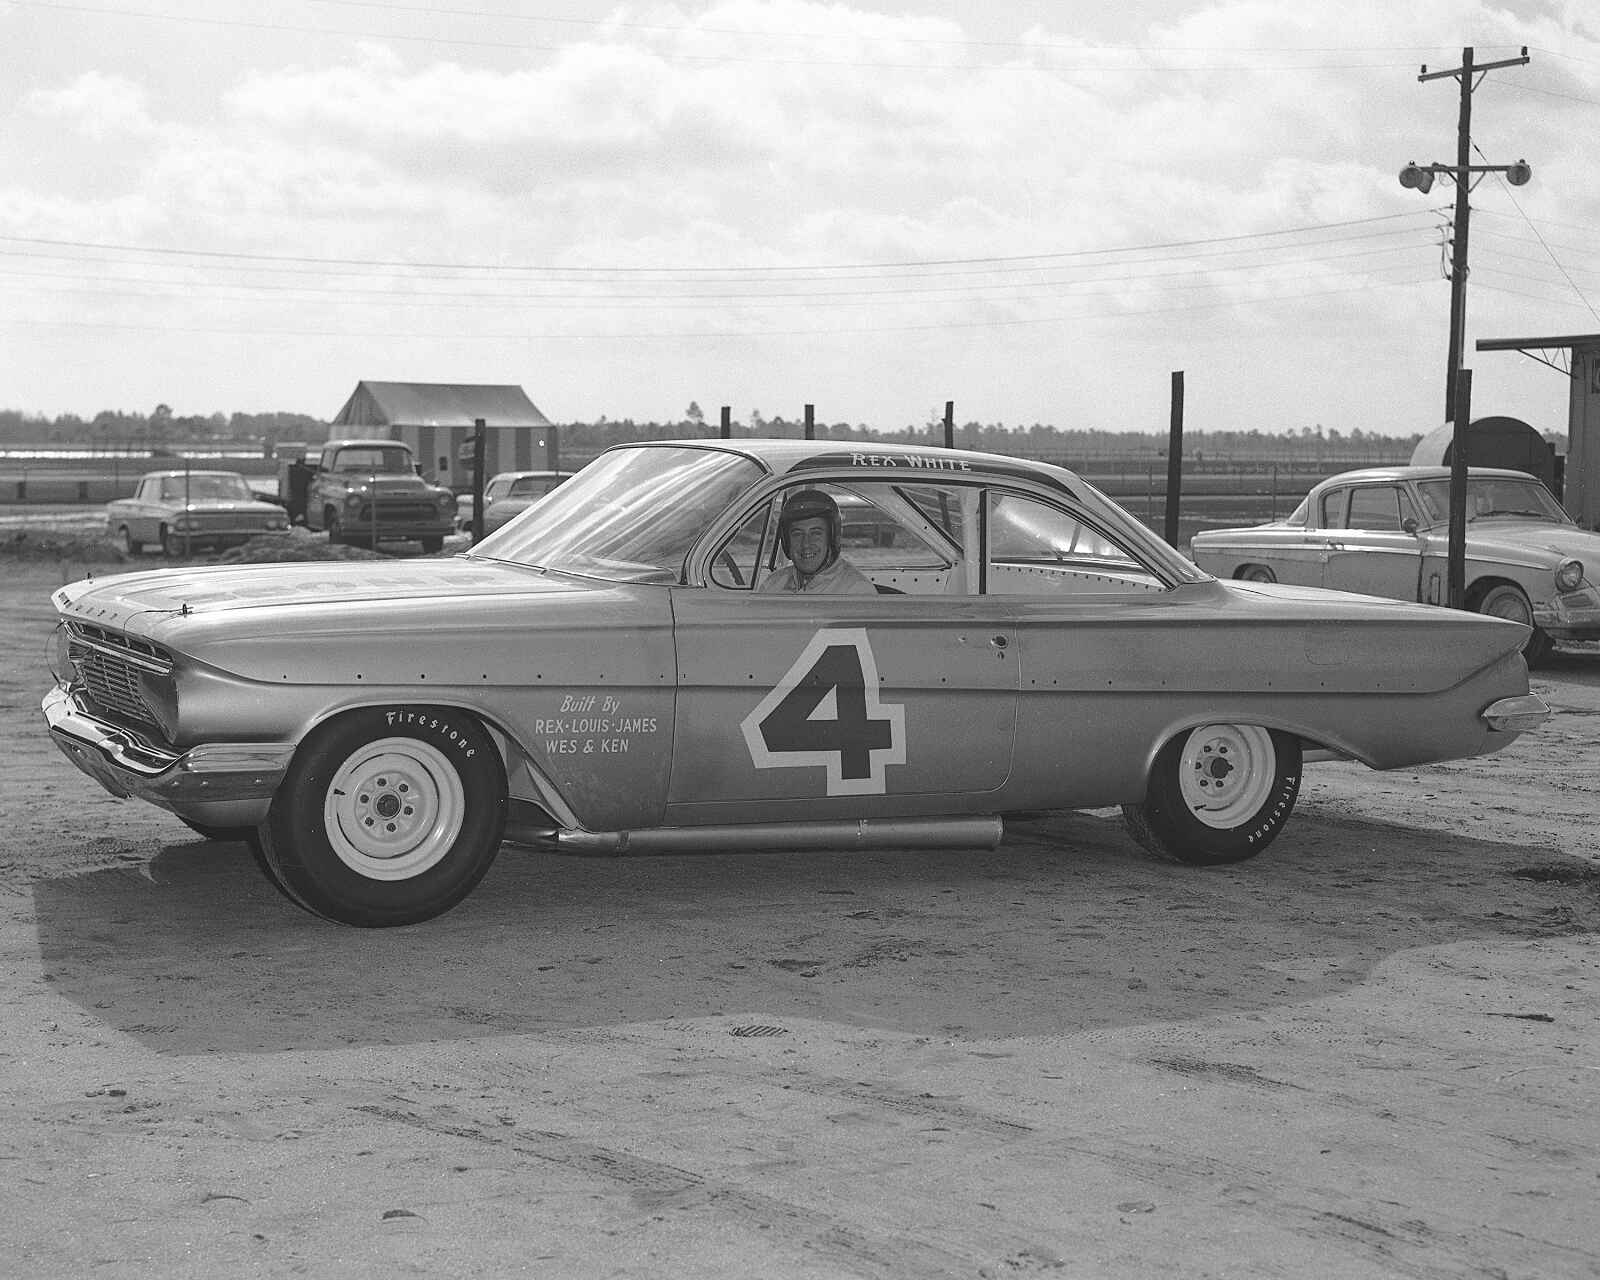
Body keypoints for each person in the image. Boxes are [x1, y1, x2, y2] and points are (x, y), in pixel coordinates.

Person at [758, 489, 878, 595]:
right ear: (786, 541)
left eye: (815, 533)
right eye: (797, 534)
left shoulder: (856, 591)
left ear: (831, 538)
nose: (805, 544)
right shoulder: (772, 585)